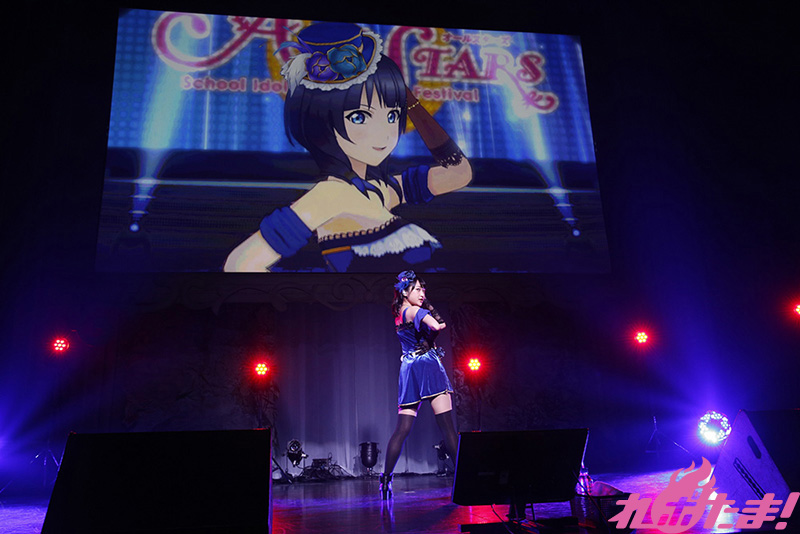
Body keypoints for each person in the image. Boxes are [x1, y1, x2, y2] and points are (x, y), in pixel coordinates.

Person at [223, 22, 471, 272]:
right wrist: (317, 291)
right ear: (322, 123)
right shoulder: (330, 195)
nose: (384, 133)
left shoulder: (381, 190)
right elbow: (240, 265)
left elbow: (459, 174)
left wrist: (413, 105)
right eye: (359, 117)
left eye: (392, 116)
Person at [380, 270, 459, 499]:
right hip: (427, 366)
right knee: (447, 427)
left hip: (409, 368)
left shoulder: (399, 313)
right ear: (405, 292)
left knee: (402, 429)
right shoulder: (415, 310)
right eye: (417, 289)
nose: (422, 293)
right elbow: (437, 325)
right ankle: (462, 477)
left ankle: (385, 479)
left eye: (423, 289)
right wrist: (428, 311)